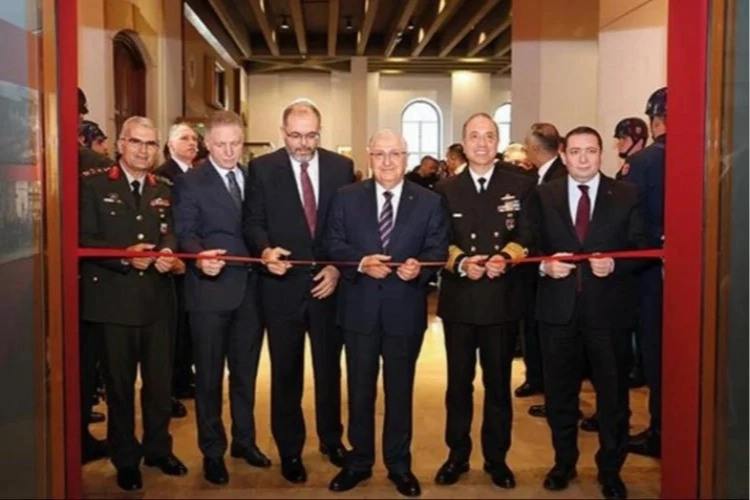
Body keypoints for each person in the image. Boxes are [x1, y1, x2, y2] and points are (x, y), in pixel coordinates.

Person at [325, 129, 448, 497]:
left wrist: (420, 268)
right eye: (379, 154)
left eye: (395, 154)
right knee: (359, 391)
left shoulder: (428, 201)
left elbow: (437, 248)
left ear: (406, 158)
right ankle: (359, 462)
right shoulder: (346, 197)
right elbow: (332, 242)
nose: (388, 161)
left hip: (404, 312)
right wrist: (360, 262)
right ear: (369, 157)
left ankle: (399, 465)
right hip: (359, 311)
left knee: (399, 392)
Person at [243, 100, 354, 483]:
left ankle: (331, 439)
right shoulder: (262, 168)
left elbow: (347, 227)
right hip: (281, 287)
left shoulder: (341, 168)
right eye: (295, 135)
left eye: (311, 135)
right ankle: (290, 450)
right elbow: (253, 221)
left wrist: (336, 267)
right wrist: (264, 251)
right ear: (282, 132)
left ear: (320, 132)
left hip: (328, 286)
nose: (303, 144)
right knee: (286, 372)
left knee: (329, 370)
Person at [535, 126, 647, 500]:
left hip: (609, 313)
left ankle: (610, 469)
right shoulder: (544, 195)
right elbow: (529, 245)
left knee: (613, 397)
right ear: (563, 155)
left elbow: (643, 247)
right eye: (576, 151)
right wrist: (544, 266)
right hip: (558, 311)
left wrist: (616, 264)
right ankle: (563, 463)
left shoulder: (627, 194)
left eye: (591, 151)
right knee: (559, 394)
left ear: (602, 153)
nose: (583, 158)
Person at [79, 116, 187, 491]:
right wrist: (125, 256)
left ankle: (158, 449)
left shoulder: (165, 188)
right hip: (113, 302)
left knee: (159, 386)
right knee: (120, 388)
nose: (144, 150)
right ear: (120, 144)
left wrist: (169, 252)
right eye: (136, 142)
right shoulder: (93, 186)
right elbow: (84, 238)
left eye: (150, 143)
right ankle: (125, 458)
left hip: (158, 301)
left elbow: (171, 230)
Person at [432, 113, 538, 489]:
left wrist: (506, 257)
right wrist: (461, 262)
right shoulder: (445, 189)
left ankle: (497, 459)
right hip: (460, 299)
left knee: (498, 384)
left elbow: (528, 233)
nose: (482, 143)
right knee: (458, 385)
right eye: (474, 136)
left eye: (489, 136)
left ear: (498, 142)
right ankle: (456, 456)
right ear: (463, 143)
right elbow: (437, 239)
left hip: (501, 298)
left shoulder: (521, 185)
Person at [172, 110, 269, 486]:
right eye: (221, 144)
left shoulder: (253, 178)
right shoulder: (190, 182)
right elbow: (185, 230)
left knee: (245, 375)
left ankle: (245, 441)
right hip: (209, 292)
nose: (229, 152)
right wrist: (198, 257)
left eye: (235, 144)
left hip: (251, 293)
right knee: (209, 378)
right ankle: (212, 451)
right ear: (207, 145)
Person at [619, 88, 666, 459]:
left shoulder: (644, 162)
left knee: (655, 352)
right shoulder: (706, 154)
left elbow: (627, 220)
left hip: (650, 272)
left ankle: (661, 431)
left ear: (655, 120)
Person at [155, 123, 200, 418]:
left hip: (192, 265)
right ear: (170, 145)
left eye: (195, 138)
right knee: (173, 332)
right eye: (185, 138)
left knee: (188, 328)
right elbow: (169, 221)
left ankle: (184, 378)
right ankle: (168, 390)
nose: (192, 143)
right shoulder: (164, 175)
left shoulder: (196, 173)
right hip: (172, 264)